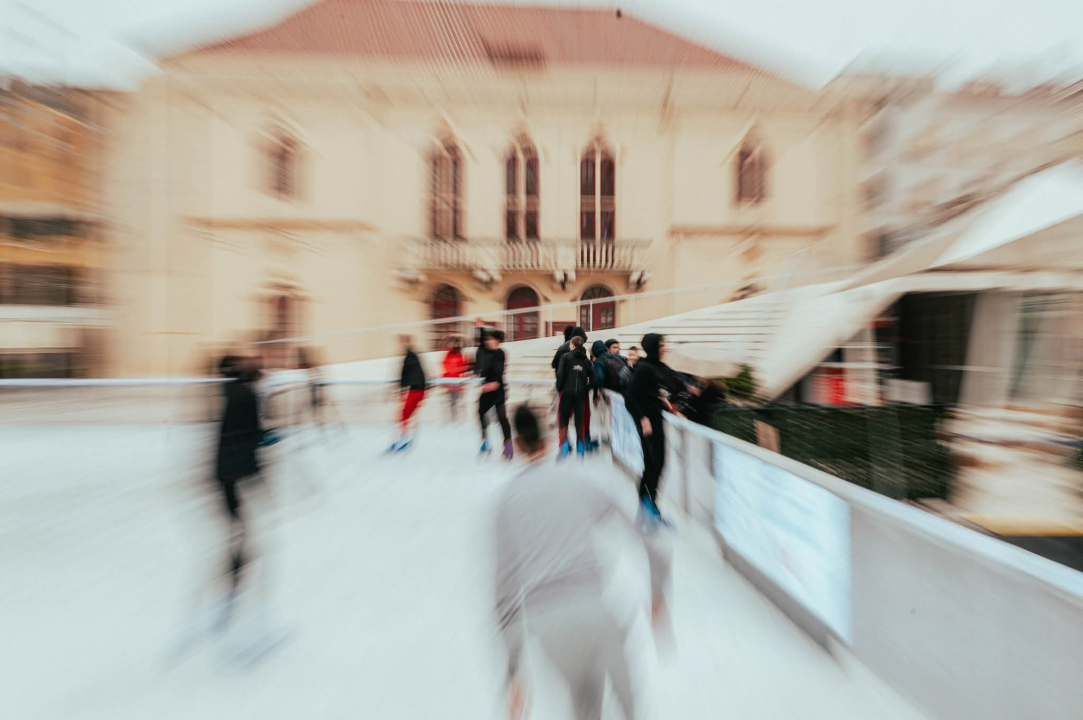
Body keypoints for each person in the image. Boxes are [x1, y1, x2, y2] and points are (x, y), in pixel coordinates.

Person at [494, 404, 672, 720]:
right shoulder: (579, 482)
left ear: (518, 445)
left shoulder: (507, 500)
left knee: (585, 702)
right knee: (628, 705)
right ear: (548, 441)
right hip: (595, 610)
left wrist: (514, 671)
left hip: (547, 624)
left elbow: (504, 592)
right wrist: (656, 594)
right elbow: (651, 542)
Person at [624, 333, 677, 527]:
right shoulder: (644, 368)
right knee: (655, 463)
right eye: (661, 344)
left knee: (653, 465)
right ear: (653, 346)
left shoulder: (656, 367)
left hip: (656, 419)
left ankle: (645, 507)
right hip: (648, 424)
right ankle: (649, 507)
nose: (664, 348)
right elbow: (630, 397)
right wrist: (642, 418)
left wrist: (661, 400)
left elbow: (653, 391)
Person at [556, 336, 594, 458]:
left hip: (567, 392)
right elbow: (594, 379)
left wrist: (560, 388)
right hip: (580, 394)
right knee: (579, 420)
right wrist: (586, 388)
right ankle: (580, 446)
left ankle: (565, 446)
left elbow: (560, 374)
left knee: (564, 418)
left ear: (572, 345)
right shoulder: (587, 361)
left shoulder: (565, 357)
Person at [478, 329, 513, 460]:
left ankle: (508, 446)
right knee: (483, 414)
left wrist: (490, 385)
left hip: (495, 390)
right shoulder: (487, 353)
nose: (487, 341)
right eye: (487, 339)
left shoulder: (500, 353)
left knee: (501, 417)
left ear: (497, 341)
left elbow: (499, 371)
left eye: (490, 339)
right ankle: (487, 443)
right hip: (490, 390)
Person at [391, 335, 426, 452]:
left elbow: (405, 374)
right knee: (408, 415)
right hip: (417, 390)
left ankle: (405, 439)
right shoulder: (414, 356)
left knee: (404, 415)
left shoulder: (409, 358)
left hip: (416, 390)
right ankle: (408, 439)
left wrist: (401, 389)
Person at [442, 336, 468, 421]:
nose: (457, 345)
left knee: (458, 400)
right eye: (455, 343)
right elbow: (445, 365)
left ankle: (459, 418)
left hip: (458, 382)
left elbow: (464, 367)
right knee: (452, 401)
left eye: (458, 343)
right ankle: (453, 418)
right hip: (450, 382)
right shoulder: (449, 354)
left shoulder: (461, 355)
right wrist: (455, 370)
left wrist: (461, 371)